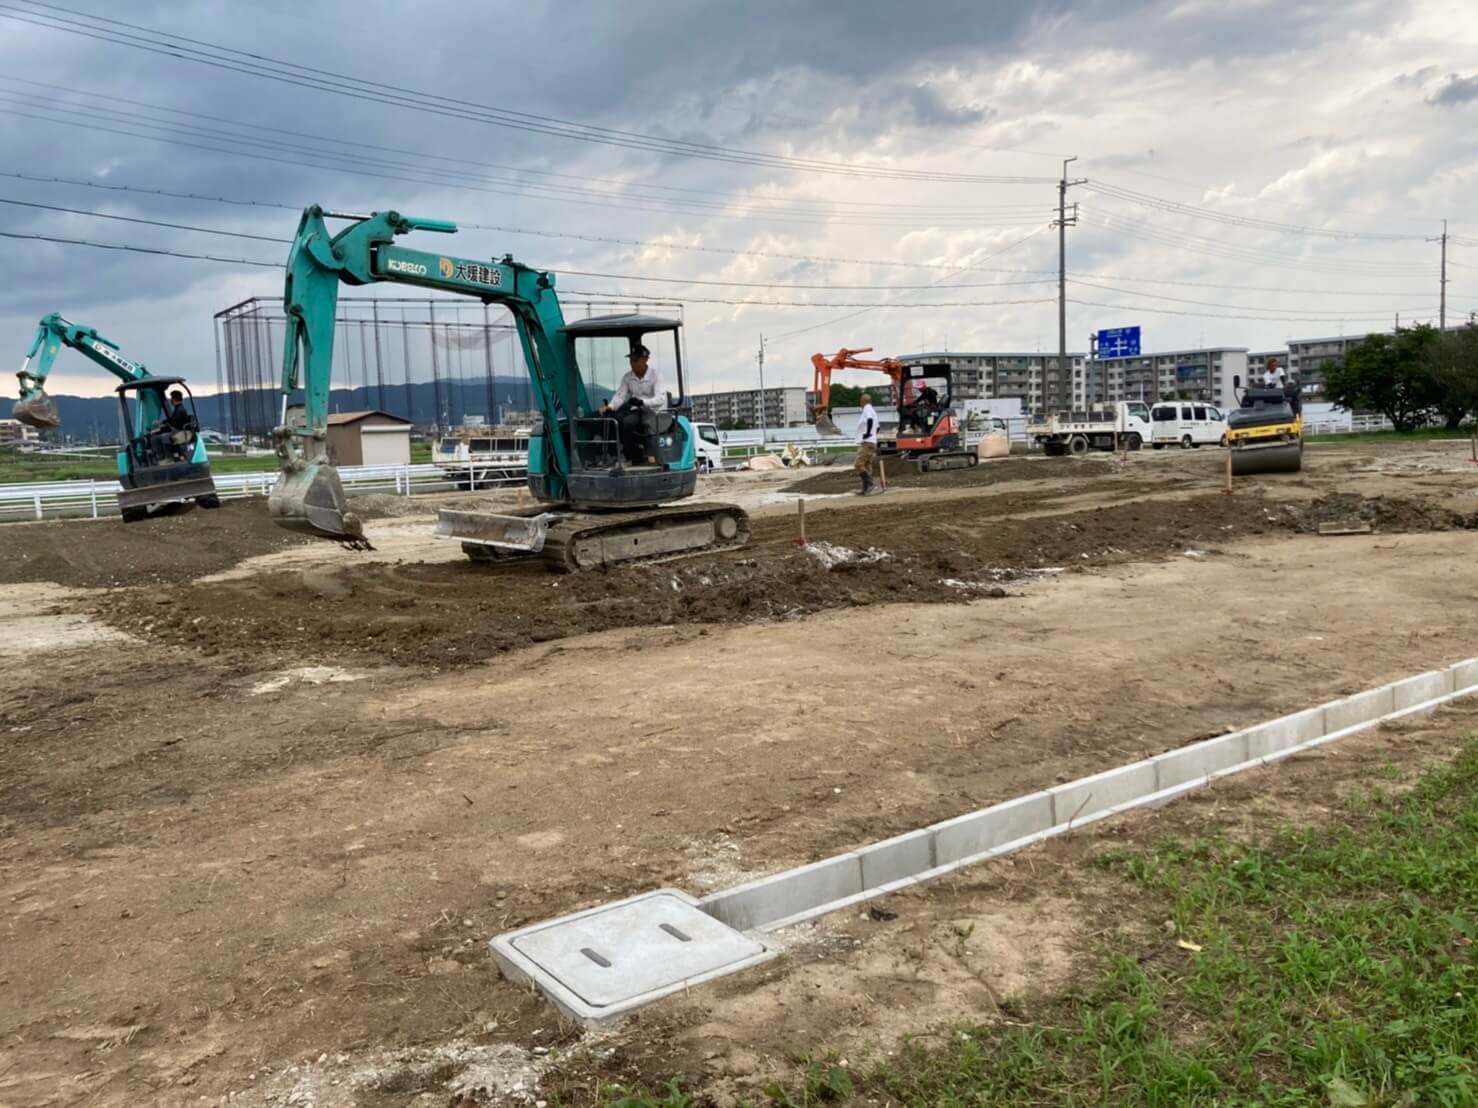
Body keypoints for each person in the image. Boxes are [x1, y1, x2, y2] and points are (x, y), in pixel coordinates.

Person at [600, 344, 666, 464]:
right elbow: (621, 395)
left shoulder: (656, 375)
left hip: (652, 412)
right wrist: (610, 406)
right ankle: (614, 454)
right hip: (636, 410)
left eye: (636, 360)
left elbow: (660, 399)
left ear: (645, 360)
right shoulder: (628, 377)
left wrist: (643, 402)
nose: (633, 364)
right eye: (631, 361)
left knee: (628, 422)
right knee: (611, 418)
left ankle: (633, 456)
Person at [854, 392, 881, 496]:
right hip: (872, 442)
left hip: (867, 442)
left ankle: (871, 485)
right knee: (867, 465)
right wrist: (873, 435)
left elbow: (869, 419)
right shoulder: (873, 412)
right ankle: (866, 489)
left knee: (858, 464)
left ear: (863, 402)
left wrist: (868, 433)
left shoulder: (867, 409)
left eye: (860, 402)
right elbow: (878, 428)